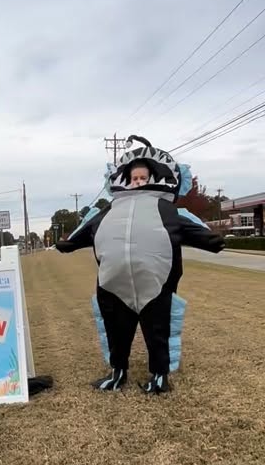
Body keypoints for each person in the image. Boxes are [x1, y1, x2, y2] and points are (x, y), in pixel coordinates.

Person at [56, 134, 225, 394]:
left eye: (142, 178)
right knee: (115, 330)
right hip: (113, 284)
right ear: (124, 179)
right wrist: (68, 243)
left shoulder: (167, 210)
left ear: (154, 178)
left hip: (155, 284)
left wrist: (211, 240)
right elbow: (87, 231)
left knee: (159, 330)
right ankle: (117, 371)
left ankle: (159, 376)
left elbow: (190, 229)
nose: (137, 182)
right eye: (134, 178)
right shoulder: (108, 210)